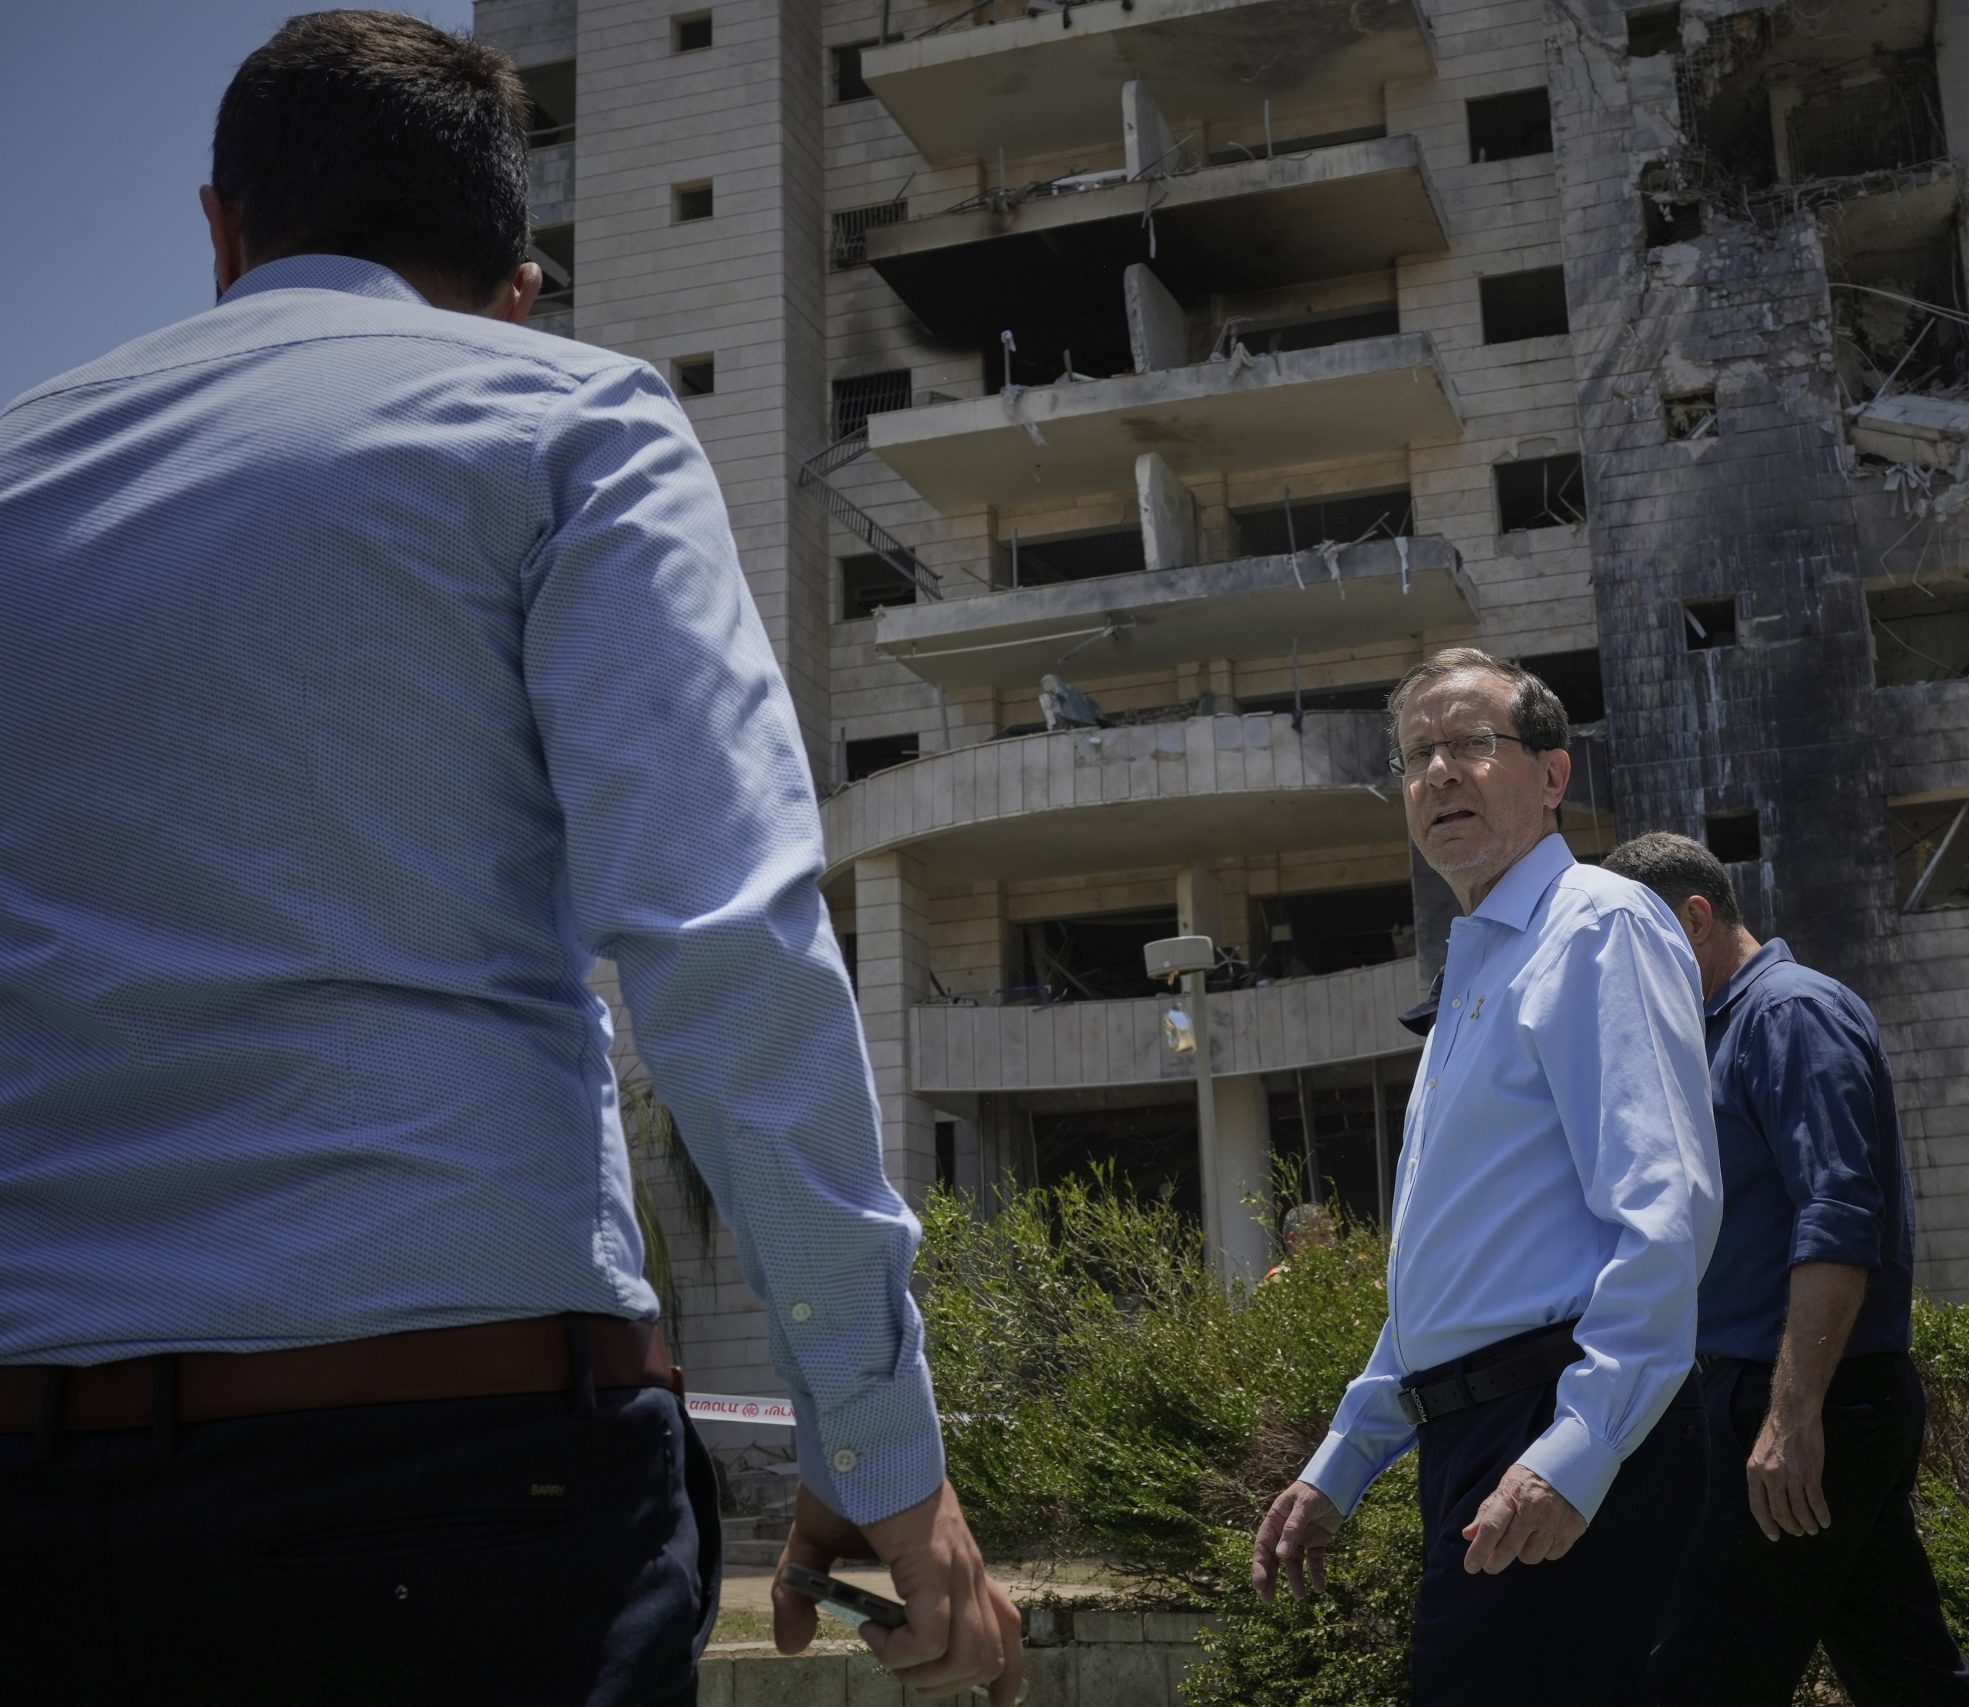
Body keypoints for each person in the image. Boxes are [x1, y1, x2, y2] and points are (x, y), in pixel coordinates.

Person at [0, 15, 1019, 1704]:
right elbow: (723, 942)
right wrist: (879, 1446)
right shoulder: (567, 419)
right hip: (459, 1472)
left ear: (223, 231)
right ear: (519, 291)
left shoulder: (21, 474)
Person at [1250, 649, 1722, 1704]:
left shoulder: (1596, 926)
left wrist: (1579, 1444)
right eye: (1417, 755)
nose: (1439, 773)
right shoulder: (1479, 968)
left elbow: (1666, 1211)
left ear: (1552, 774)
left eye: (1471, 743)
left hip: (1557, 1420)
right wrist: (1342, 1460)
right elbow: (1451, 1279)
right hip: (1480, 1433)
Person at [1603, 831, 1969, 1707]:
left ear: (1694, 919)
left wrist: (1792, 1412)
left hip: (1803, 1399)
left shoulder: (1789, 1013)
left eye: (1632, 944)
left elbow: (1840, 1212)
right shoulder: (1718, 1030)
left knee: (1696, 1675)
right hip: (1786, 1396)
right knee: (1906, 1672)